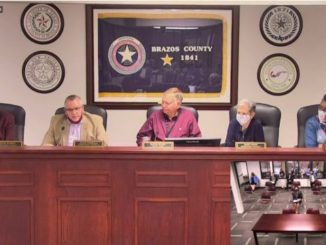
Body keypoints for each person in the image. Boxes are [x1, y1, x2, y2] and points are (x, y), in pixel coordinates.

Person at [136, 87, 201, 146]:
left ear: (178, 104)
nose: (163, 105)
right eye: (162, 102)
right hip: (159, 154)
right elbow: (142, 137)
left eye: (167, 103)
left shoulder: (188, 116)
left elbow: (197, 140)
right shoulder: (155, 115)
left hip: (181, 155)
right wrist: (147, 145)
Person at [42, 95, 108, 146]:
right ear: (65, 111)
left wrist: (81, 146)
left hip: (87, 158)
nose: (74, 113)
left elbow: (103, 143)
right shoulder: (56, 121)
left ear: (82, 108)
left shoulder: (96, 120)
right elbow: (46, 144)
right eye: (70, 110)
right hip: (63, 159)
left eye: (76, 108)